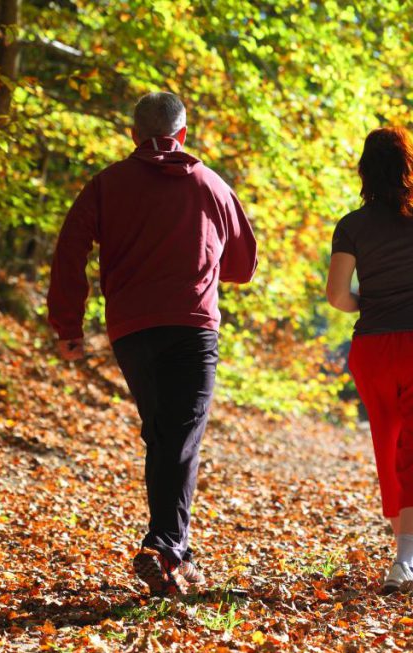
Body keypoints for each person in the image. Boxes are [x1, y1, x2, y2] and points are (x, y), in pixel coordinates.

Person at [46, 92, 258, 596]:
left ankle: (173, 555)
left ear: (133, 134)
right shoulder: (211, 185)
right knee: (178, 437)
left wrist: (68, 327)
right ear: (183, 133)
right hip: (192, 325)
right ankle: (164, 545)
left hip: (132, 328)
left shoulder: (106, 185)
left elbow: (68, 252)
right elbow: (243, 267)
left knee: (165, 434)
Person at [326, 126, 413, 594]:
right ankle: (406, 561)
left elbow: (337, 295)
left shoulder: (352, 225)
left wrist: (371, 302)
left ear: (365, 171)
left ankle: (405, 546)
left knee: (391, 439)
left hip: (373, 348)